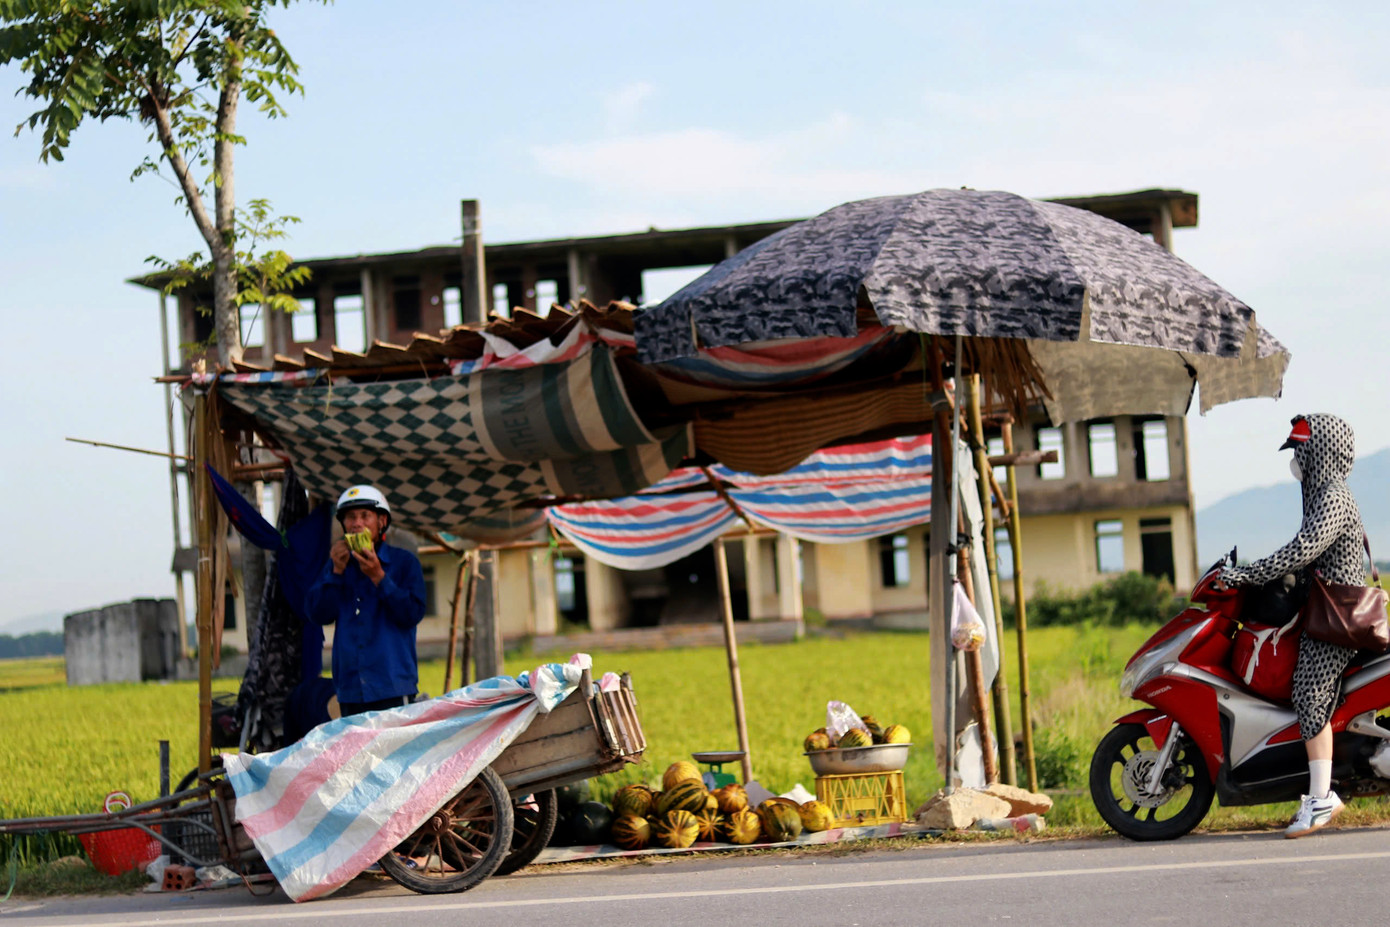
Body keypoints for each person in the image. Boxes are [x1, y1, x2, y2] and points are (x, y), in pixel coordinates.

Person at [1219, 414, 1369, 838]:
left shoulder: (1333, 497)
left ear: (1321, 451)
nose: (1297, 460)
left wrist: (1250, 573)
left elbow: (1303, 549)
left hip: (1336, 622)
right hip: (1322, 613)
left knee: (1308, 691)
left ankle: (1321, 798)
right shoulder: (1322, 495)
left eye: (1302, 450)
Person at [305, 485, 427, 718]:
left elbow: (412, 614)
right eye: (350, 517)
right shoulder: (336, 564)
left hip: (392, 686)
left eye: (365, 516)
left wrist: (379, 577)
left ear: (382, 521)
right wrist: (336, 573)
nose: (356, 523)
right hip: (350, 690)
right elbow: (317, 614)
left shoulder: (404, 563)